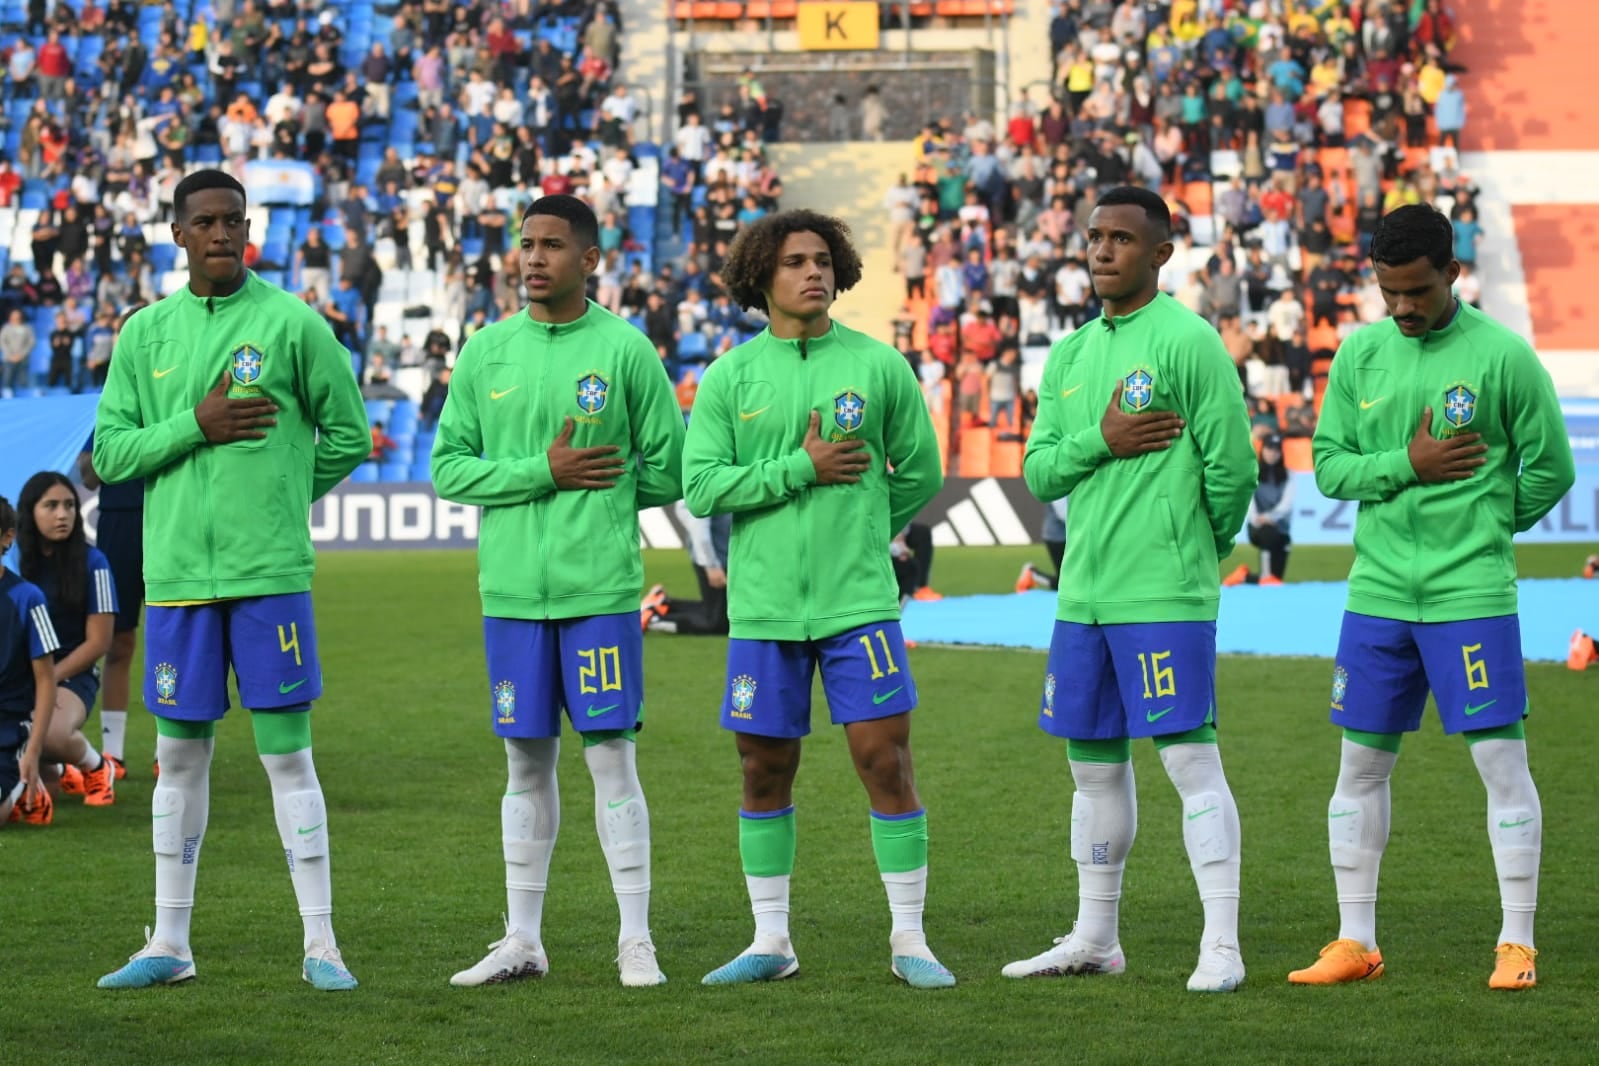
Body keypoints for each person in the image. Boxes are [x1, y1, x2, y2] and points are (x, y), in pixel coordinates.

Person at [92, 169, 370, 991]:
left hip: (268, 576)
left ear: (250, 229)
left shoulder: (291, 324)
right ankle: (170, 944)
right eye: (205, 222)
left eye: (234, 222)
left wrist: (278, 499)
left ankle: (322, 944)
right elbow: (109, 455)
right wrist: (194, 424)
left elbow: (347, 435)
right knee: (179, 760)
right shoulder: (145, 335)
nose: (222, 234)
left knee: (289, 759)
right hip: (176, 579)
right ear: (177, 233)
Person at [1289, 204, 1575, 991]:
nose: (1403, 308)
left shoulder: (1503, 357)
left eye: (1416, 291)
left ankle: (1516, 943)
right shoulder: (1359, 356)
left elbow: (1549, 469)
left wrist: (1485, 525)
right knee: (1358, 770)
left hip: (1469, 597)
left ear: (1451, 273)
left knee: (1500, 768)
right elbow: (1331, 468)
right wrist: (1407, 465)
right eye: (1389, 293)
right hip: (1376, 596)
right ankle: (1354, 941)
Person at [682, 209, 952, 989]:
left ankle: (910, 939)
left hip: (857, 605)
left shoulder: (877, 365)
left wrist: (867, 534)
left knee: (885, 760)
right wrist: (797, 470)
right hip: (764, 612)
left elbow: (921, 472)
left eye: (824, 259)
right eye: (796, 261)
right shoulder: (732, 377)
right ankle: (771, 940)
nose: (815, 272)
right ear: (760, 277)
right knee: (762, 769)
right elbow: (701, 488)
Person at [1006, 186, 1256, 992]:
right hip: (1082, 595)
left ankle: (1221, 942)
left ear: (1160, 253)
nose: (1101, 250)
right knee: (1092, 770)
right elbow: (1040, 468)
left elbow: (1231, 469)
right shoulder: (1072, 355)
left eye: (1120, 238)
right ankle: (1095, 937)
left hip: (1163, 591)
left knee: (1188, 760)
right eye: (1093, 237)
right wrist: (1100, 438)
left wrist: (1193, 548)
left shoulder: (1189, 343)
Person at [432, 194, 685, 989]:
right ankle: (522, 939)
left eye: (550, 245)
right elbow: (448, 468)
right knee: (524, 762)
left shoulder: (625, 350)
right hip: (509, 593)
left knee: (611, 757)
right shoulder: (485, 352)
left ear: (591, 259)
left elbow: (669, 469)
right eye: (525, 244)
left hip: (597, 591)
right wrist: (543, 472)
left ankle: (634, 940)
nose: (533, 258)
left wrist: (597, 503)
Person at [15, 472, 118, 806]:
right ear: (30, 512)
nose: (63, 514)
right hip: (24, 675)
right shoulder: (16, 562)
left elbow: (99, 643)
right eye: (52, 506)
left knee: (53, 733)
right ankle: (57, 769)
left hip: (73, 675)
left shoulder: (95, 563)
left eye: (70, 505)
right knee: (42, 796)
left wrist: (49, 679)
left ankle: (97, 766)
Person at [79, 433, 143, 779]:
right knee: (118, 641)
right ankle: (112, 755)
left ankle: (172, 751)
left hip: (176, 514)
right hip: (120, 522)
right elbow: (88, 475)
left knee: (177, 639)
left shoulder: (181, 396)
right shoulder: (112, 410)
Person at [1, 494, 59, 827]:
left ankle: (25, 782)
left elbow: (46, 680)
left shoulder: (27, 598)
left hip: (8, 728)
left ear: (7, 537)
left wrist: (35, 748)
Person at [641, 501, 732, 636]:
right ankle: (653, 619)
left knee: (718, 610)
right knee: (716, 623)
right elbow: (700, 531)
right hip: (715, 561)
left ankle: (664, 603)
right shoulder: (703, 489)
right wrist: (711, 566)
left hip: (718, 558)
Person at [1222, 434, 1294, 586]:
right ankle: (1265, 576)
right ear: (1263, 450)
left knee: (1276, 580)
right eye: (1269, 448)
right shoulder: (1254, 473)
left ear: (1281, 453)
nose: (1272, 453)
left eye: (1276, 450)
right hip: (1258, 527)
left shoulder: (1288, 475)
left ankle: (1244, 576)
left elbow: (1286, 505)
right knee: (1269, 535)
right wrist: (1258, 520)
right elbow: (1250, 502)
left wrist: (1270, 517)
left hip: (1281, 528)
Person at [1015, 498, 1067, 592]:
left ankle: (1033, 574)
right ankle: (1033, 574)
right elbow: (1063, 514)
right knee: (1066, 583)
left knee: (1069, 581)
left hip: (1063, 536)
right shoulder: (1059, 489)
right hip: (1058, 538)